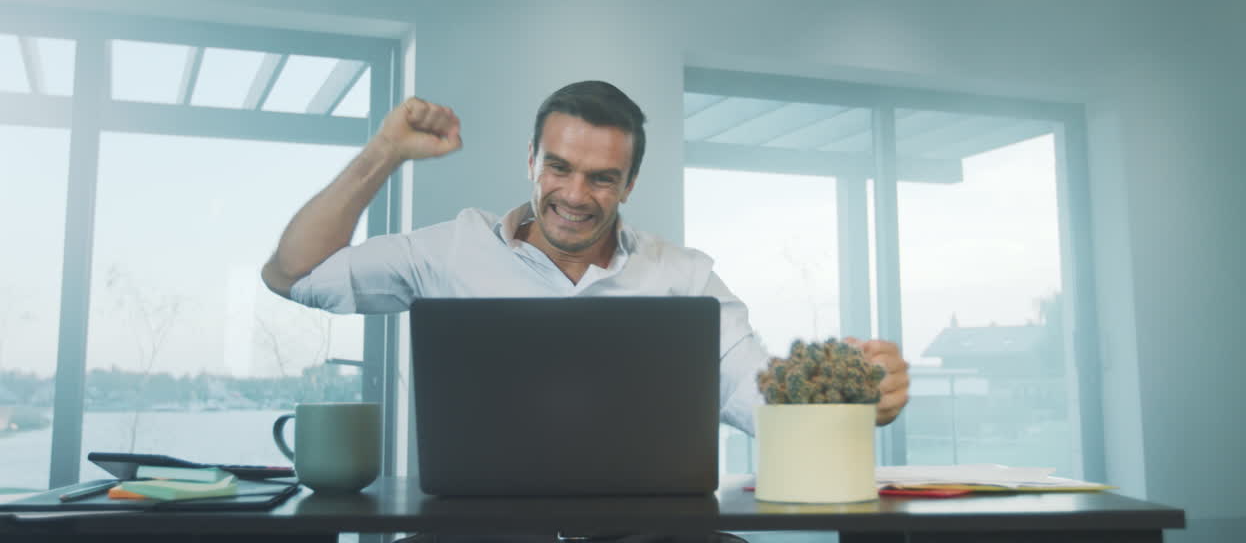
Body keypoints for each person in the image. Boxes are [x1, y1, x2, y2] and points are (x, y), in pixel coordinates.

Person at [262, 80, 910, 435]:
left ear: (629, 186)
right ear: (531, 163)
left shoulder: (683, 277)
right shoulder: (450, 248)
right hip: (483, 532)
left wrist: (852, 396)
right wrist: (386, 151)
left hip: (647, 533)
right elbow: (293, 276)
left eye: (602, 178)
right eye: (559, 168)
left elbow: (755, 393)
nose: (575, 195)